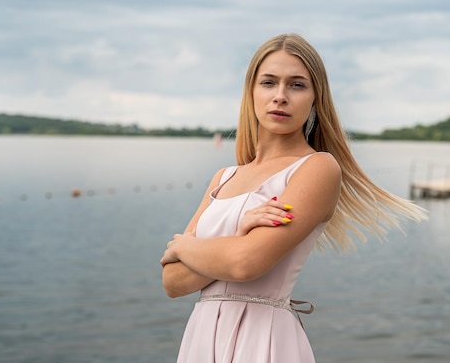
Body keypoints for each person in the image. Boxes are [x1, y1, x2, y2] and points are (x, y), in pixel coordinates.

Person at [160, 33, 427, 362]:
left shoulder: (317, 168)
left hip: (262, 341)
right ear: (251, 92)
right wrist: (240, 229)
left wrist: (183, 246)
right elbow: (172, 282)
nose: (280, 96)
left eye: (297, 85)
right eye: (269, 82)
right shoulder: (224, 177)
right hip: (201, 339)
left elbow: (246, 264)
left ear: (316, 98)